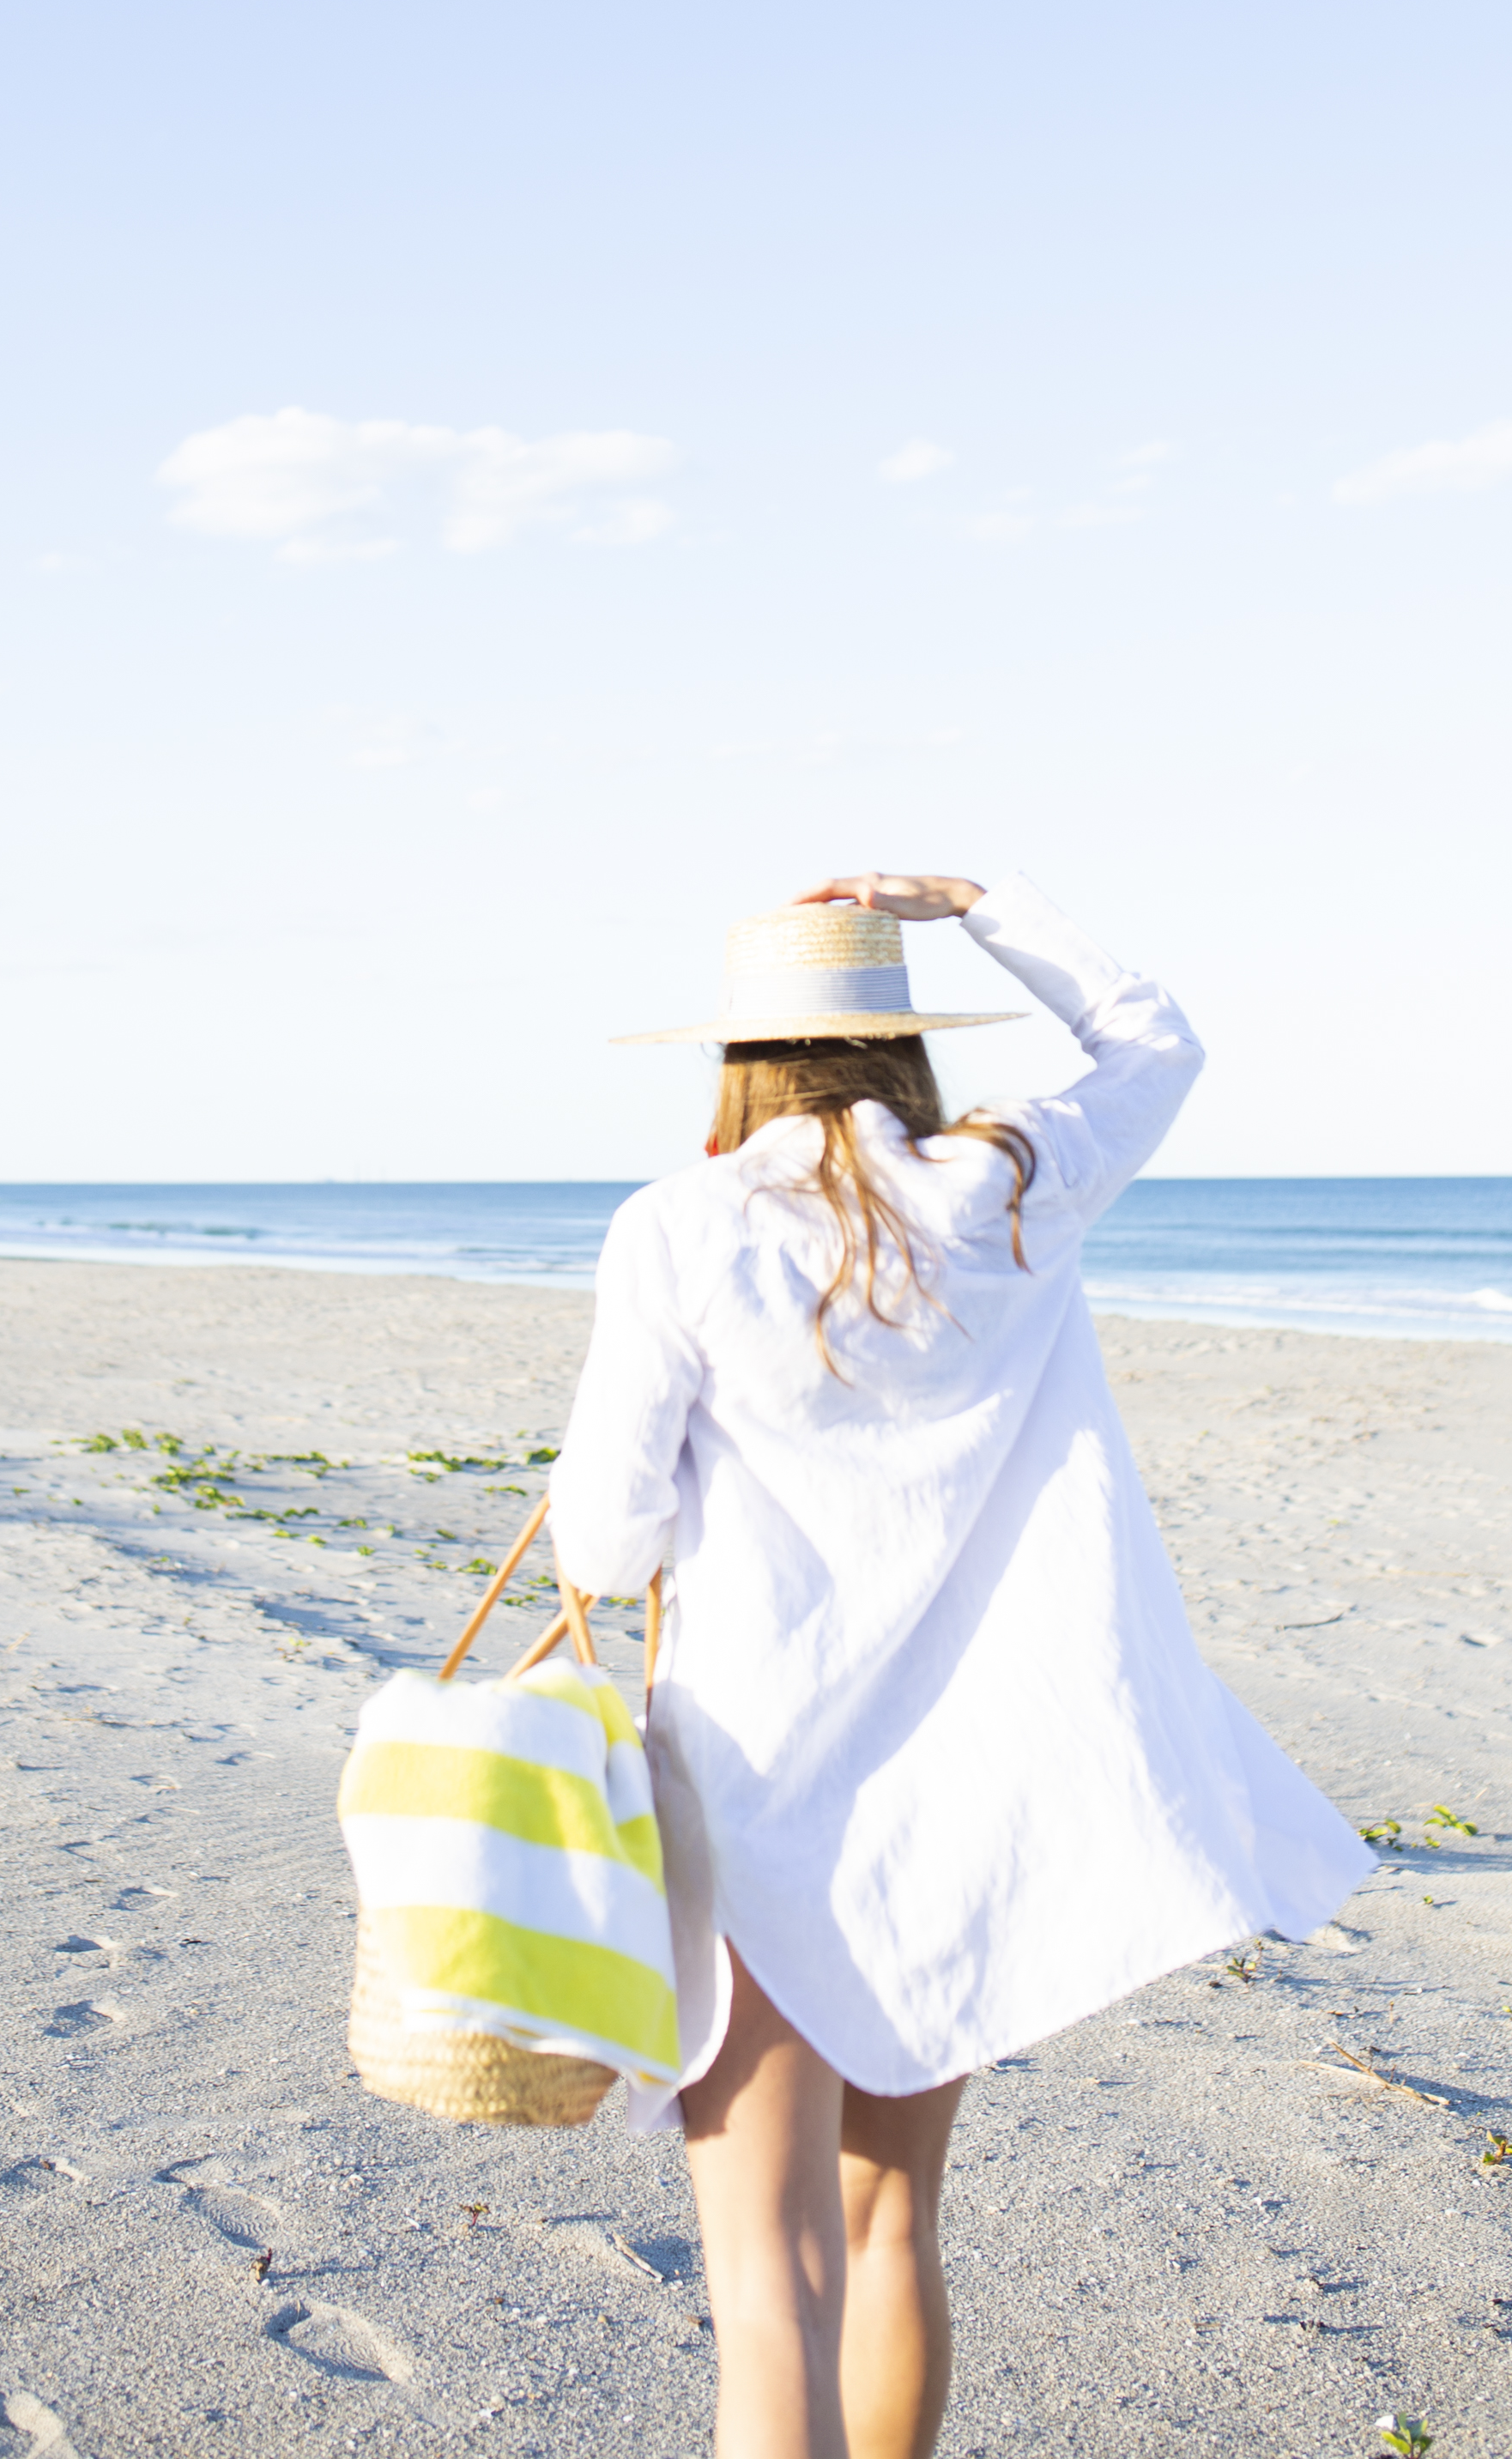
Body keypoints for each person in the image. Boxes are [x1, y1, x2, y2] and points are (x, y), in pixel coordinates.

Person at [547, 869, 1373, 2459]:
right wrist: (985, 903)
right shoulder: (1014, 1186)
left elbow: (601, 1549)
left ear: (740, 1056)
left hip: (756, 1787)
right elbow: (1154, 1040)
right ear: (901, 1046)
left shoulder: (682, 1225)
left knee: (767, 2274)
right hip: (968, 1795)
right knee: (888, 2229)